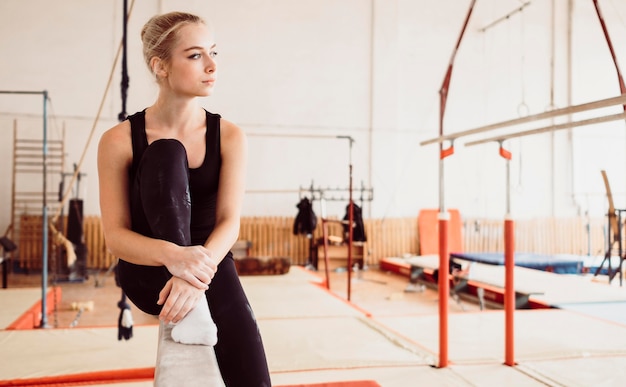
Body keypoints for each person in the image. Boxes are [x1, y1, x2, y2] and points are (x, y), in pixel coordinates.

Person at [97, 11, 271, 386]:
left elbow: (229, 222)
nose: (212, 65)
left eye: (214, 52)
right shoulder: (119, 140)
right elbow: (115, 236)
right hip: (150, 269)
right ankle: (191, 291)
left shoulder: (229, 136)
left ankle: (197, 294)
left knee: (252, 373)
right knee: (166, 152)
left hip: (208, 267)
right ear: (160, 66)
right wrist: (175, 258)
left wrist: (195, 275)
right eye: (195, 56)